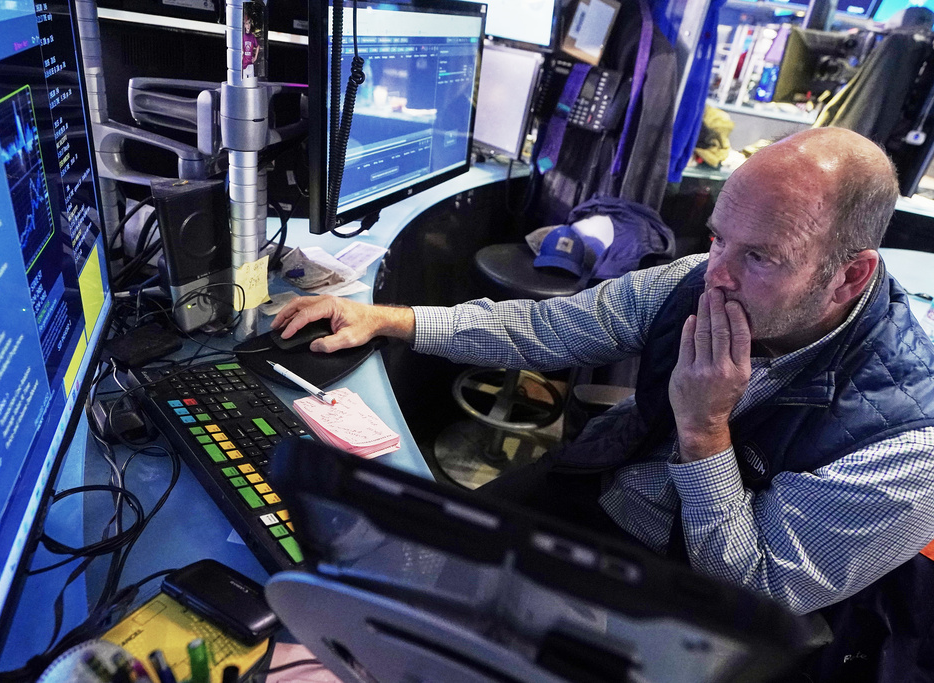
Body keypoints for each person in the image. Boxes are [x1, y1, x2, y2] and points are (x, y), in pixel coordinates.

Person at [272, 128, 934, 673]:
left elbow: (752, 592)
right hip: (601, 488)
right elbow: (551, 327)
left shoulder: (910, 442)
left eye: (760, 257)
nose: (718, 275)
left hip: (689, 599)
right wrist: (393, 319)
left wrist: (704, 429)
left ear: (850, 276)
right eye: (717, 238)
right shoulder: (701, 279)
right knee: (390, 572)